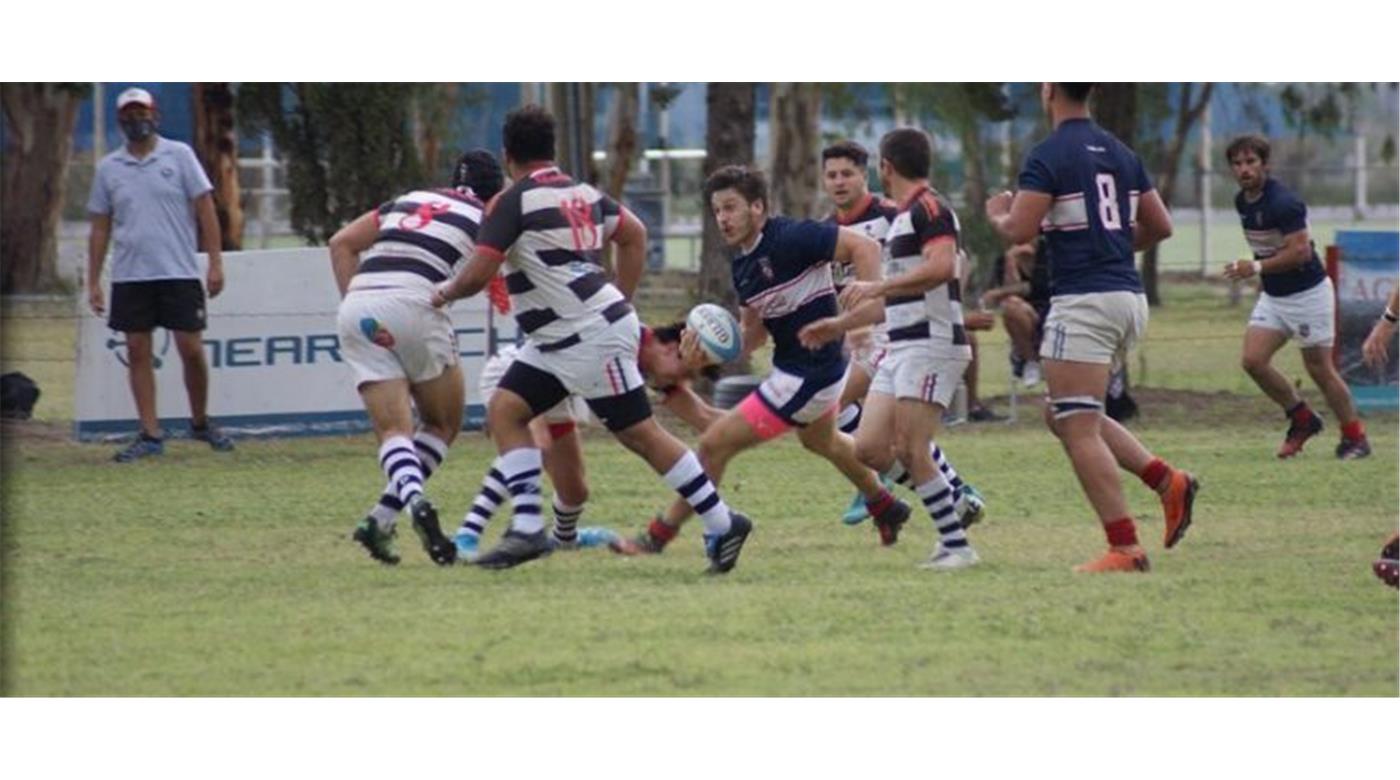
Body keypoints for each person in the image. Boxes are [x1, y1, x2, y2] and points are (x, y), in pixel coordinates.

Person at [433, 105, 751, 574]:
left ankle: (724, 523)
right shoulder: (581, 192)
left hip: (582, 335)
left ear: (508, 156)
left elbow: (480, 271)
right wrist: (618, 296)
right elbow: (635, 234)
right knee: (507, 409)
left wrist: (441, 293)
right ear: (551, 150)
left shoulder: (511, 200)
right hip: (563, 337)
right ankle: (526, 529)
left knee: (641, 435)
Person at [630, 164, 909, 554]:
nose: (723, 219)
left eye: (731, 207)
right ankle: (886, 505)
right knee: (821, 441)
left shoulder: (793, 236)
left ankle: (659, 536)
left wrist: (867, 307)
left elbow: (866, 247)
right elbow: (751, 337)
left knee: (713, 445)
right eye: (717, 210)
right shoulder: (743, 264)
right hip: (804, 371)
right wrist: (701, 355)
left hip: (810, 374)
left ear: (757, 207)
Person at [985, 82, 1199, 574]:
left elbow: (1019, 230)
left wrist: (997, 214)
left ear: (1048, 89)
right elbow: (1160, 226)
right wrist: (1115, 249)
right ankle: (1168, 482)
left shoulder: (1050, 153)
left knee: (1077, 425)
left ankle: (1125, 548)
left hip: (1085, 300)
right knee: (1065, 414)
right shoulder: (1121, 152)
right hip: (1127, 299)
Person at [332, 150, 504, 566]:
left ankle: (386, 517)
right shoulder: (489, 216)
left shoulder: (407, 199)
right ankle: (405, 507)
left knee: (394, 430)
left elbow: (341, 243)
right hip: (417, 302)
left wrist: (359, 303)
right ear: (494, 190)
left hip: (359, 307)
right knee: (443, 423)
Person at [819, 140, 988, 530]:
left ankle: (878, 484)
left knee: (839, 406)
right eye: (832, 175)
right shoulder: (827, 232)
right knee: (889, 430)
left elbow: (949, 262)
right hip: (866, 329)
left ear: (870, 174)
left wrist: (952, 305)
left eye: (848, 173)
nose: (840, 182)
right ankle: (951, 491)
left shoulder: (898, 213)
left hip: (898, 332)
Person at [453, 319, 725, 560]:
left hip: (560, 390)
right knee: (534, 443)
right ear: (669, 348)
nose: (685, 381)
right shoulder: (621, 338)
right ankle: (468, 533)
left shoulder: (654, 368)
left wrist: (762, 415)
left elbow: (704, 417)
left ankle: (563, 541)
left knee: (575, 491)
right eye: (687, 373)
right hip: (516, 372)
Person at [86, 87, 233, 462]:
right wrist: (93, 280)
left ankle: (199, 421)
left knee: (191, 349)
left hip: (178, 271)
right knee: (137, 351)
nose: (137, 120)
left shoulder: (179, 156)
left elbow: (205, 209)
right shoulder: (109, 168)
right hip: (131, 275)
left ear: (156, 116)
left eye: (143, 112)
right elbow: (100, 227)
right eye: (130, 115)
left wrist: (215, 262)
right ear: (120, 121)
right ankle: (150, 433)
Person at [1223, 134, 1370, 460]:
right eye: (1237, 163)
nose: (1244, 169)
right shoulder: (1241, 201)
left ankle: (1355, 437)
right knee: (1253, 361)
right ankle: (1302, 418)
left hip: (1308, 295)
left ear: (1266, 164)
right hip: (1276, 296)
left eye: (1251, 162)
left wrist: (1256, 267)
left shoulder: (1283, 202)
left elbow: (1301, 253)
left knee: (1319, 369)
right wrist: (1261, 272)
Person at [980, 240, 1051, 388]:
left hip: (1050, 311)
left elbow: (1035, 288)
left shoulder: (1048, 253)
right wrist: (1011, 262)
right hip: (1025, 317)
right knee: (1010, 306)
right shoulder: (1004, 260)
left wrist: (1000, 293)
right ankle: (1031, 362)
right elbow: (1006, 295)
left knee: (1012, 303)